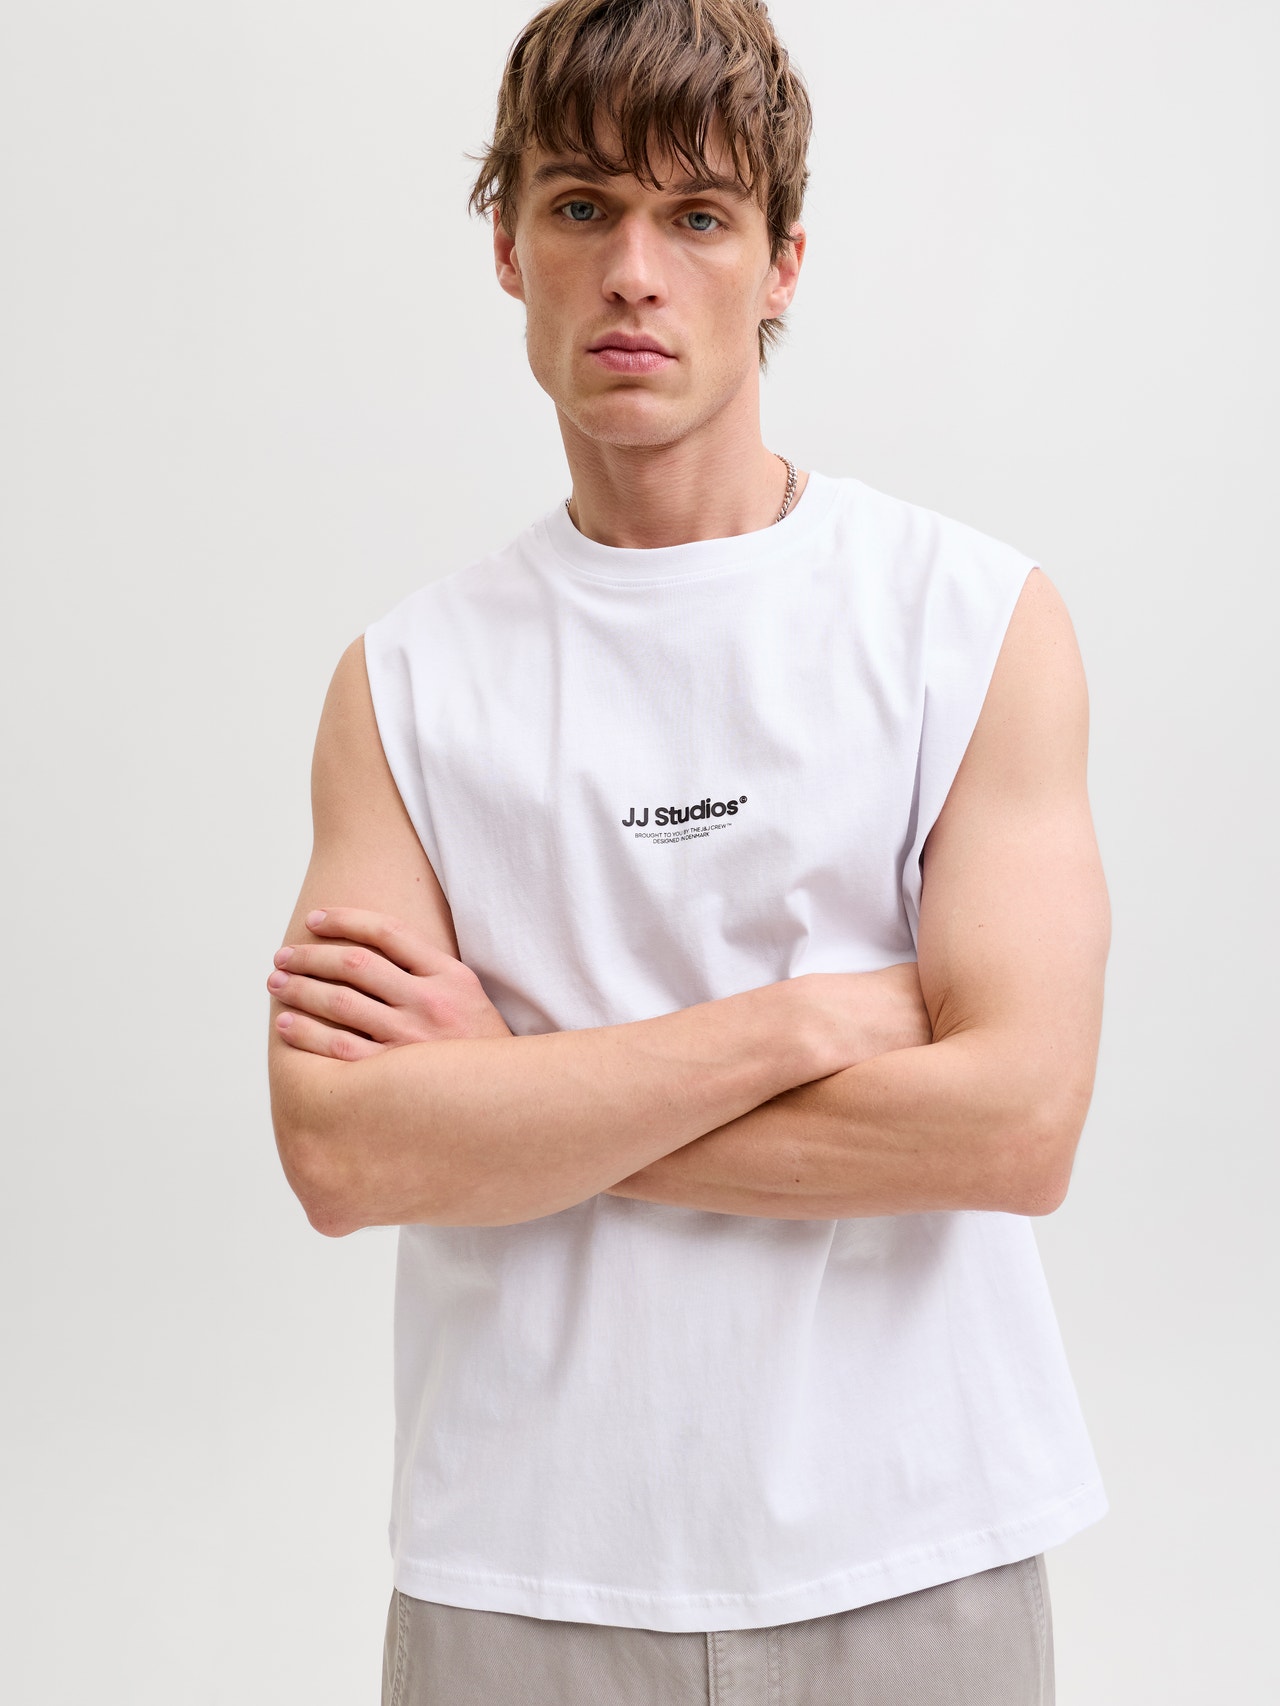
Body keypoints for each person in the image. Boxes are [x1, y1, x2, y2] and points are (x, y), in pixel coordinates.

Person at [265, 3, 1110, 1701]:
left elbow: (1015, 1124)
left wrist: (511, 1105)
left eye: (697, 216)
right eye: (581, 207)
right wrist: (807, 1021)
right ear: (509, 249)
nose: (633, 273)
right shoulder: (406, 685)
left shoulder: (968, 621)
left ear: (783, 259)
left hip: (915, 1543)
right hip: (523, 1565)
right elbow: (349, 1152)